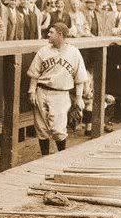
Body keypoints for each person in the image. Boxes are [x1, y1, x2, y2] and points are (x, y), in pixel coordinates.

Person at [27, 23, 88, 155]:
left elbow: (80, 78)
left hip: (60, 94)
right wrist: (32, 91)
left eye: (51, 32)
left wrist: (78, 98)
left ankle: (62, 156)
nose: (48, 34)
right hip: (41, 90)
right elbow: (34, 73)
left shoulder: (74, 52)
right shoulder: (43, 50)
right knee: (41, 128)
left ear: (60, 34)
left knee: (58, 129)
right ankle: (44, 157)